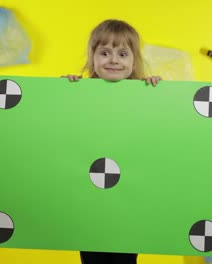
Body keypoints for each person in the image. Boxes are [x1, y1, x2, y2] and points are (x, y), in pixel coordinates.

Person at [62, 19, 162, 264]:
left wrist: (157, 93)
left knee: (125, 255)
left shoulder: (143, 94)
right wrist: (63, 92)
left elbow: (157, 132)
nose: (113, 60)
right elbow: (64, 129)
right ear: (92, 57)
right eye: (104, 52)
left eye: (123, 53)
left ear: (134, 61)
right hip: (89, 200)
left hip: (129, 199)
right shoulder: (81, 93)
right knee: (92, 252)